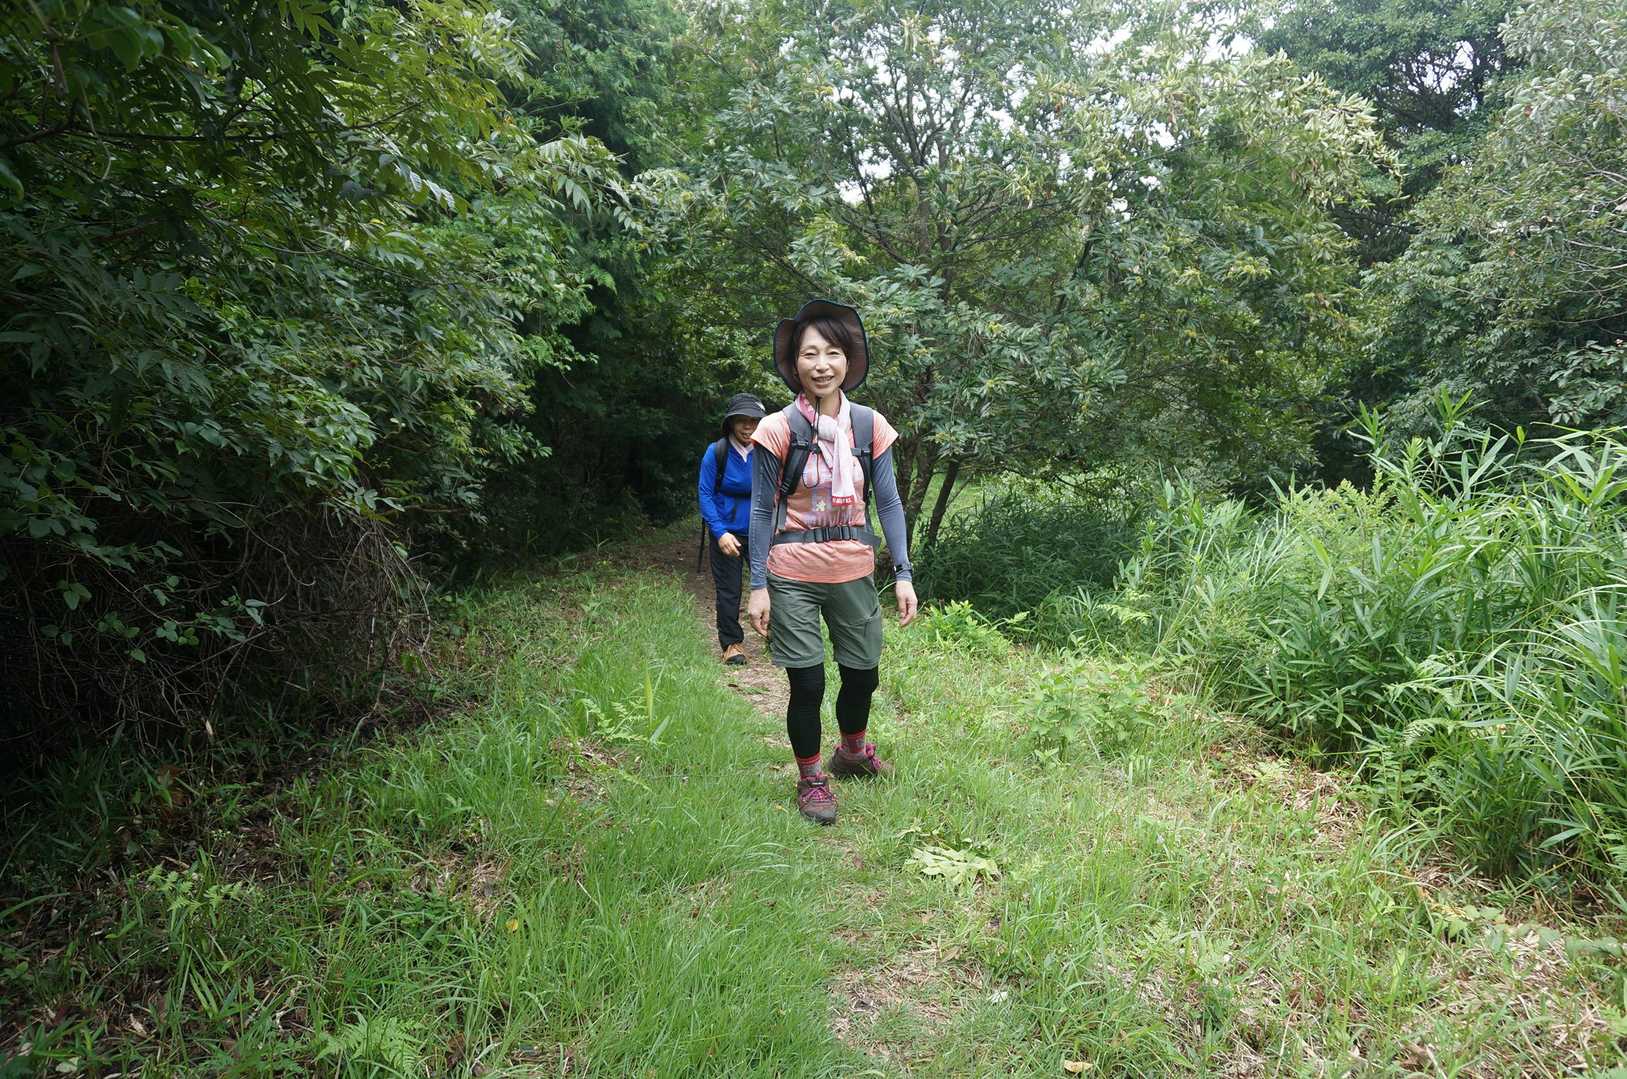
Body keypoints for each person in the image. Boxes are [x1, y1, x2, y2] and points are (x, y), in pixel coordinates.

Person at [747, 299, 917, 825]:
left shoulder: (869, 426)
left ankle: (852, 752)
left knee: (863, 676)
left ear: (849, 360)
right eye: (810, 354)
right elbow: (761, 509)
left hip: (854, 570)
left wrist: (903, 574)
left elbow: (888, 502)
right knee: (808, 684)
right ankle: (811, 778)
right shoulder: (776, 429)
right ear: (794, 363)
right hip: (792, 573)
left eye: (832, 353)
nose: (821, 365)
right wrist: (758, 584)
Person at [699, 392, 768, 665]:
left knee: (775, 585)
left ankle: (775, 635)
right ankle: (731, 644)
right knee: (729, 590)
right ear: (730, 423)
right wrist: (719, 532)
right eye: (741, 420)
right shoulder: (717, 452)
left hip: (763, 531)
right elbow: (705, 494)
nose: (748, 427)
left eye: (754, 421)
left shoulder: (767, 450)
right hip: (728, 533)